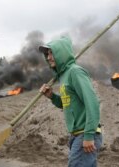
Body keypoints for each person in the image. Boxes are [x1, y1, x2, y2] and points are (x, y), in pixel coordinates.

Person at [39, 36, 102, 167]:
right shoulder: (64, 76)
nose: (49, 57)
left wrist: (89, 135)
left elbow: (92, 103)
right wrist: (52, 96)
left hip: (84, 134)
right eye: (47, 54)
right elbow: (67, 103)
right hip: (76, 135)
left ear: (61, 54)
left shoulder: (75, 72)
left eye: (52, 53)